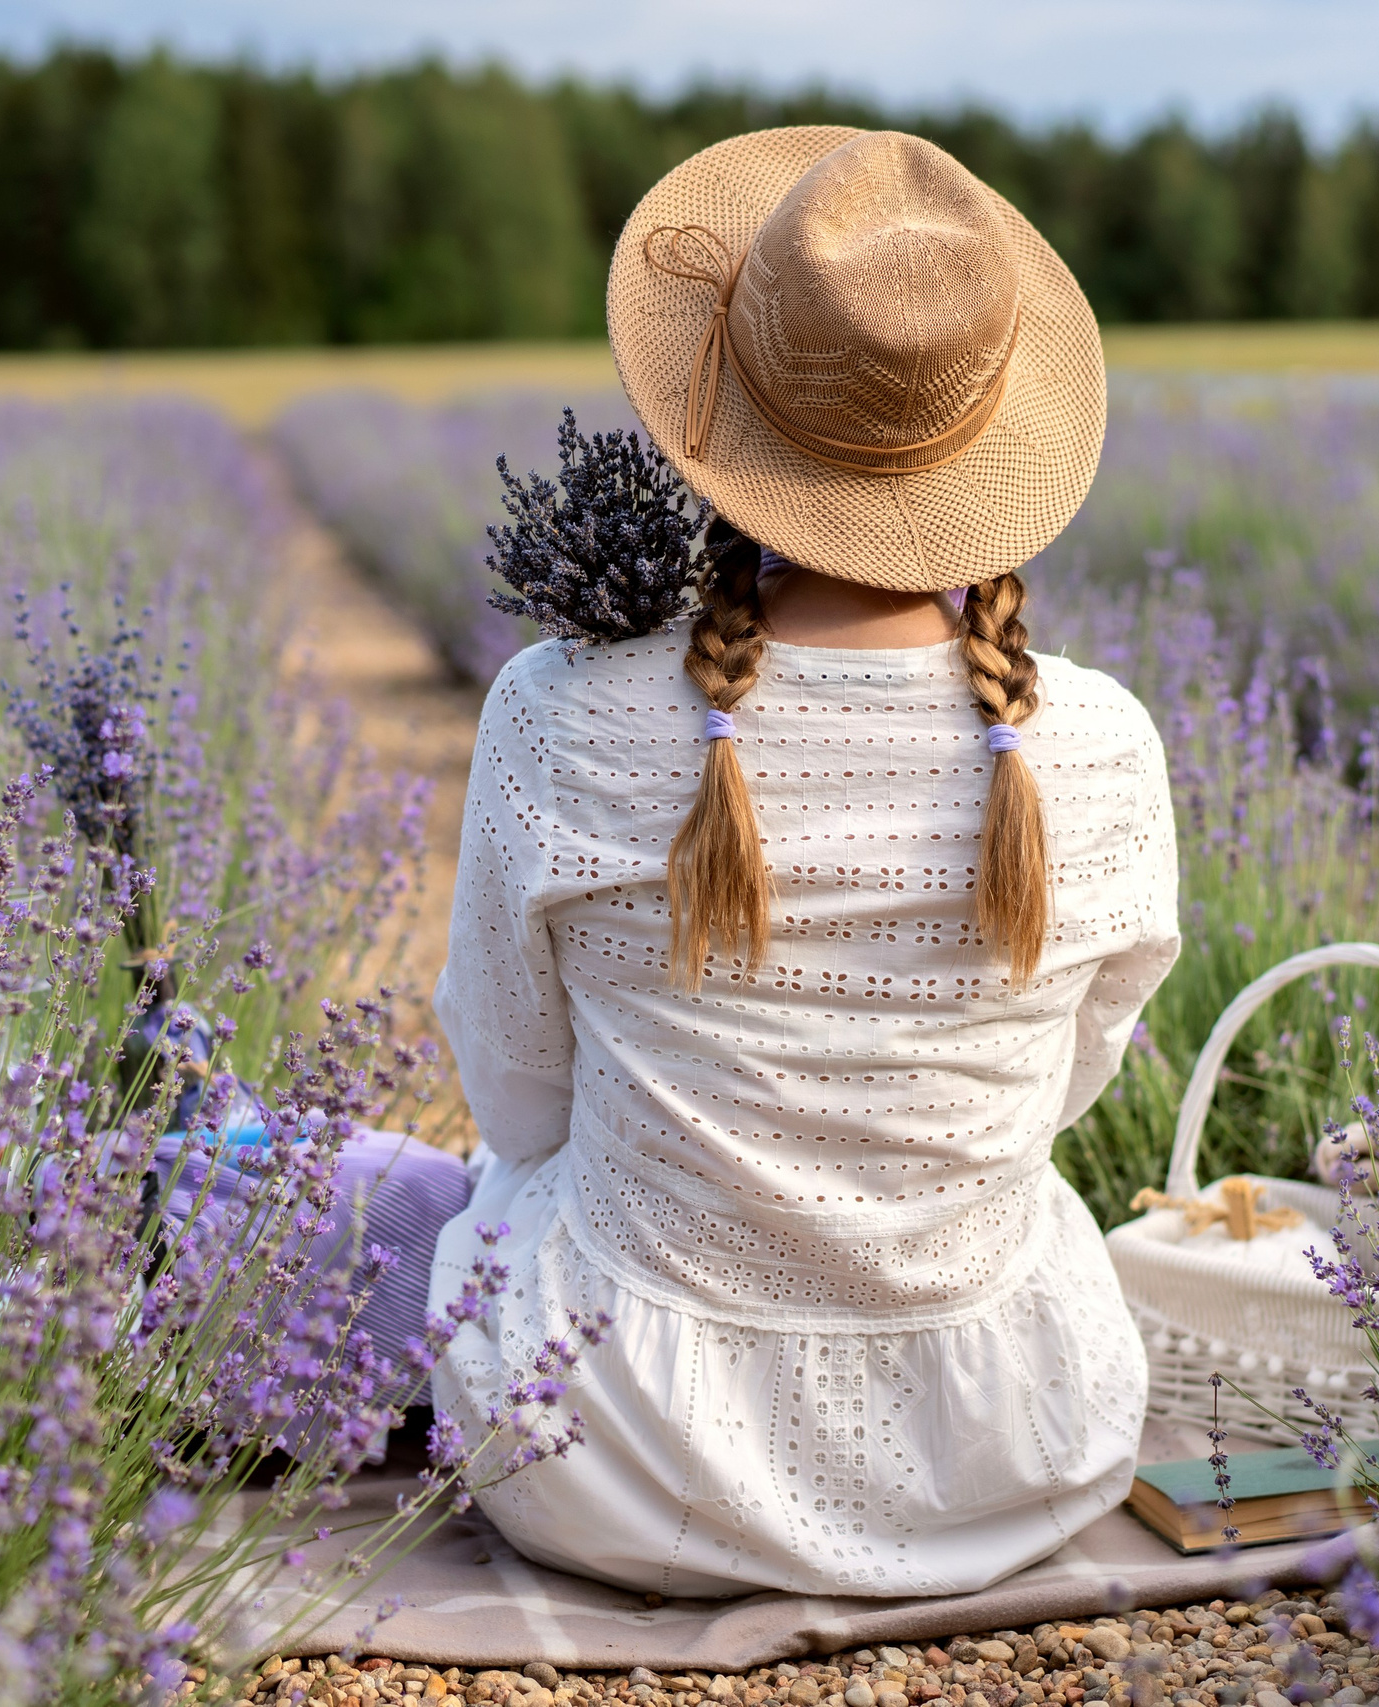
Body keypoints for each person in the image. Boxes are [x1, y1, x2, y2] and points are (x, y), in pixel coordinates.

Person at [423, 126, 1180, 1598]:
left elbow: (516, 1102)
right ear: (988, 440)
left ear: (718, 412)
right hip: (1011, 1453)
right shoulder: (1097, 743)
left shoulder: (559, 712)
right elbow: (1065, 1090)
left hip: (606, 1454)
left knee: (458, 1202)